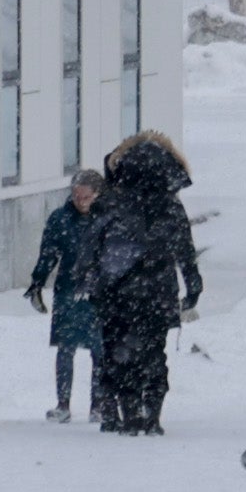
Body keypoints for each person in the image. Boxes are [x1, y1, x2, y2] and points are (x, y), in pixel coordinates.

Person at [85, 132, 205, 436]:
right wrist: (193, 285)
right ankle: (152, 415)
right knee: (154, 353)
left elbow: (91, 248)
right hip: (158, 292)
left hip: (116, 291)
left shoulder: (109, 203)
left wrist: (90, 283)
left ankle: (127, 413)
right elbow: (185, 251)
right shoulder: (171, 206)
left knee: (118, 352)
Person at [23, 167, 105, 424]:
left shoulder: (108, 218)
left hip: (100, 293)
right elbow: (48, 254)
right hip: (68, 291)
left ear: (98, 194)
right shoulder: (60, 219)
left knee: (101, 349)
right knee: (65, 348)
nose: (80, 201)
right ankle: (63, 404)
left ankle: (99, 405)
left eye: (86, 197)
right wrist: (37, 282)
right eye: (76, 196)